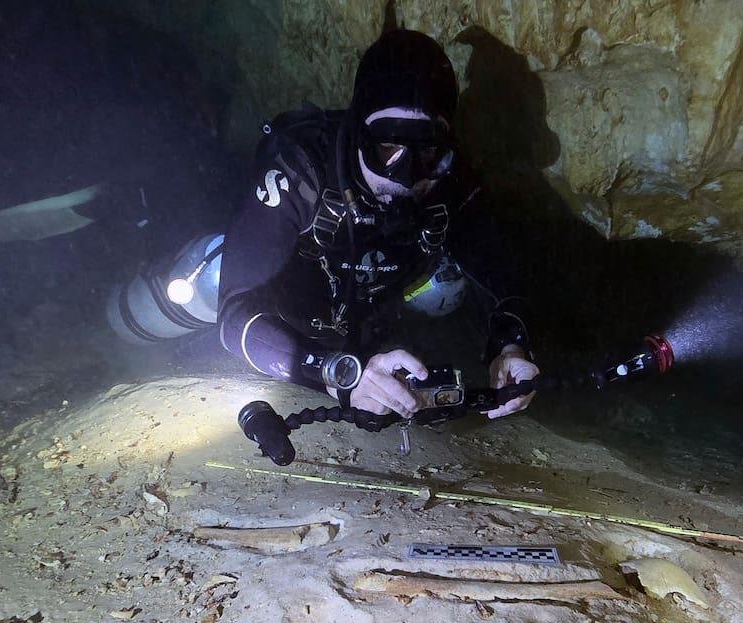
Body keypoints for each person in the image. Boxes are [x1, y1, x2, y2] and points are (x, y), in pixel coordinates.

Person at [109, 29, 538, 419]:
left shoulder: (453, 180)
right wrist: (338, 373)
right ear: (356, 134)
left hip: (375, 303)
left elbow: (504, 271)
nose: (403, 176)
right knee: (212, 278)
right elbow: (236, 311)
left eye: (427, 154)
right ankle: (118, 329)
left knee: (450, 284)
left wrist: (510, 343)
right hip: (282, 297)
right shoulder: (300, 172)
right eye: (387, 149)